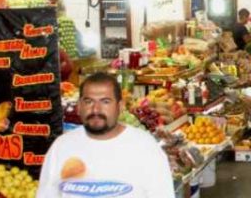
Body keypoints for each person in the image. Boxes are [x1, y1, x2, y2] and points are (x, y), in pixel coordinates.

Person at [38, 72, 174, 196]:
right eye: (88, 101)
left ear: (120, 107)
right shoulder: (61, 147)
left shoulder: (145, 148)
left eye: (105, 102)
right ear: (79, 107)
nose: (96, 109)